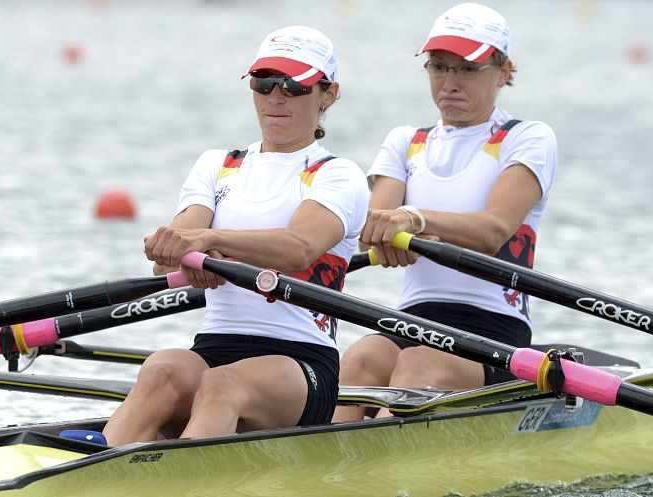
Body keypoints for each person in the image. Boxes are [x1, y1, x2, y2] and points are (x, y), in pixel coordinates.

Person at [102, 26, 369, 446]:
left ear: (328, 94)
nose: (276, 96)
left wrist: (208, 243)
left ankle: (176, 480)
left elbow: (299, 248)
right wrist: (186, 247)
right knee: (162, 368)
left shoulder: (337, 174)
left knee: (222, 385)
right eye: (265, 84)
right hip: (215, 347)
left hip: (300, 363)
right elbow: (169, 258)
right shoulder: (218, 165)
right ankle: (83, 472)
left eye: (295, 85)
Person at [333, 2, 558, 422]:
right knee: (359, 359)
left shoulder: (526, 138)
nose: (449, 83)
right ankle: (318, 473)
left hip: (493, 333)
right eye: (439, 67)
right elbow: (371, 229)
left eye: (467, 69)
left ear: (504, 70)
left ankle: (373, 472)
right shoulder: (406, 141)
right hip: (413, 320)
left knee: (418, 365)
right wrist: (393, 229)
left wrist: (414, 221)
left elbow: (494, 229)